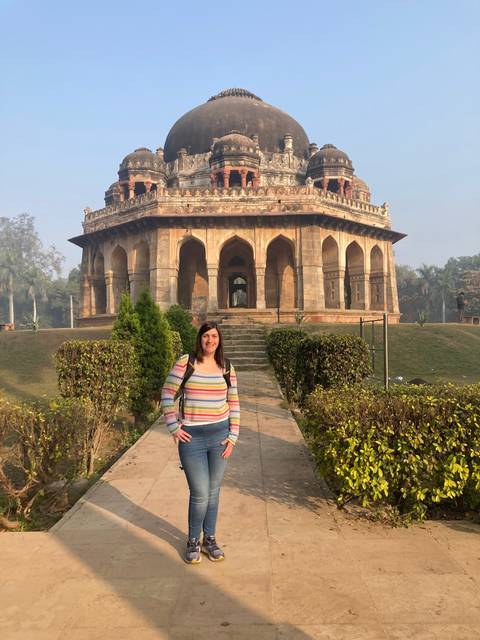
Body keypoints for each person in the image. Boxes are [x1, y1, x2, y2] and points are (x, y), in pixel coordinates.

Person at [161, 321, 240, 564]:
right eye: (206, 336)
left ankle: (210, 540)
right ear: (200, 339)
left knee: (213, 493)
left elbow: (234, 403)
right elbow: (166, 393)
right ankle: (194, 540)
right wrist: (174, 426)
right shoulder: (187, 362)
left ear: (219, 339)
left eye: (214, 336)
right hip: (192, 438)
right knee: (200, 493)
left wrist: (232, 437)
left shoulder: (226, 367)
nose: (210, 341)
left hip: (219, 436)